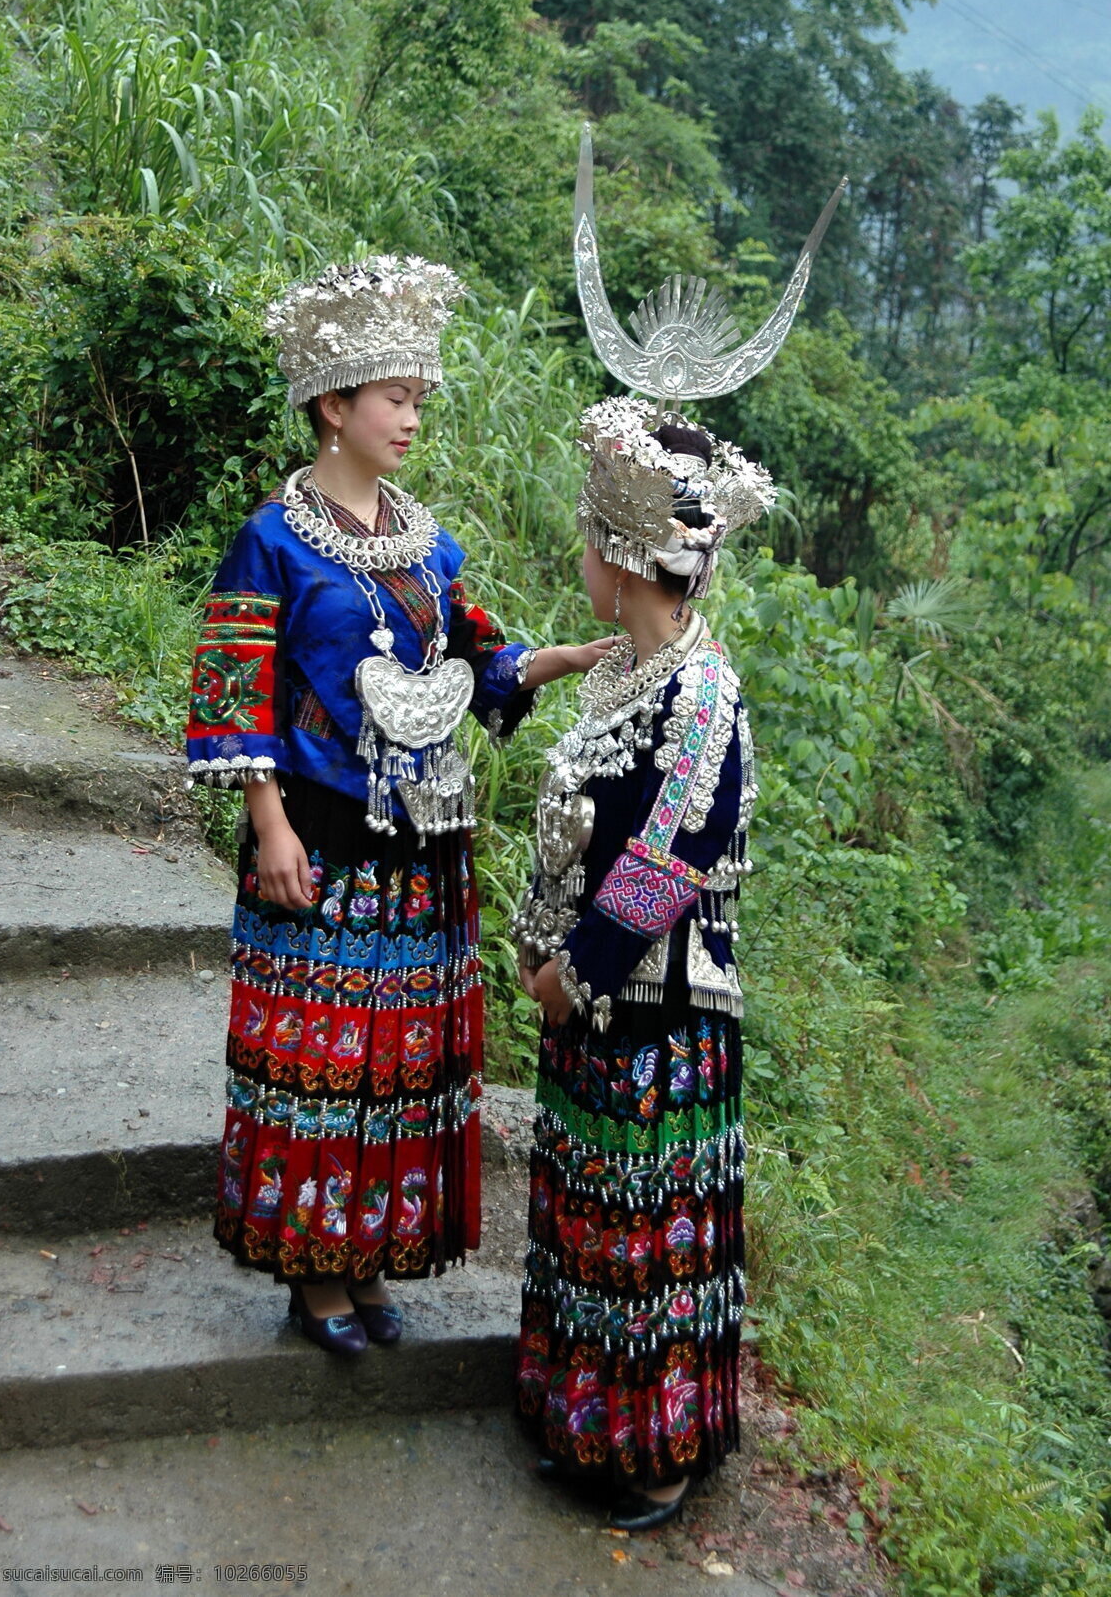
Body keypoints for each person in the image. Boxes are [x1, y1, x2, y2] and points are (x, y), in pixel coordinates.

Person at [186, 254, 609, 1356]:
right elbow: (236, 693)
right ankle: (310, 1278)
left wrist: (557, 657)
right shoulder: (273, 542)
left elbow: (474, 656)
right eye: (395, 400)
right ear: (334, 406)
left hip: (424, 852)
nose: (412, 418)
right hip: (317, 839)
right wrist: (268, 821)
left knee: (401, 1058)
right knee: (318, 1056)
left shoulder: (427, 549)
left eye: (419, 400)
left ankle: (370, 1257)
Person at [513, 134, 842, 1529]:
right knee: (600, 1217)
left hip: (650, 1009)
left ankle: (648, 1450)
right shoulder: (632, 666)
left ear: (619, 551)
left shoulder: (699, 690)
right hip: (600, 1010)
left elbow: (665, 860)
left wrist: (570, 966)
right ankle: (588, 1422)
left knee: (646, 1229)